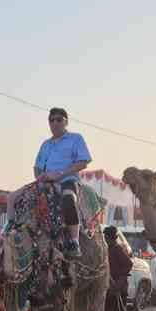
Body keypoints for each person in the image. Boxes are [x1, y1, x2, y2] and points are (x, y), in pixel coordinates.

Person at [33, 107, 92, 257]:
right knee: (17, 199)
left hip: (67, 180)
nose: (55, 123)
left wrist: (59, 174)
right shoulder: (46, 144)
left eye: (59, 119)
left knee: (67, 198)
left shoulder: (75, 139)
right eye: (51, 120)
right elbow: (37, 167)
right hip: (46, 183)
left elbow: (83, 162)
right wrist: (41, 180)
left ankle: (74, 241)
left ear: (66, 122)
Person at [100, 226, 134, 311]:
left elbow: (129, 264)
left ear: (110, 237)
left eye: (106, 237)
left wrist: (119, 281)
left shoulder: (118, 249)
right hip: (108, 289)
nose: (105, 239)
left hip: (119, 290)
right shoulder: (106, 249)